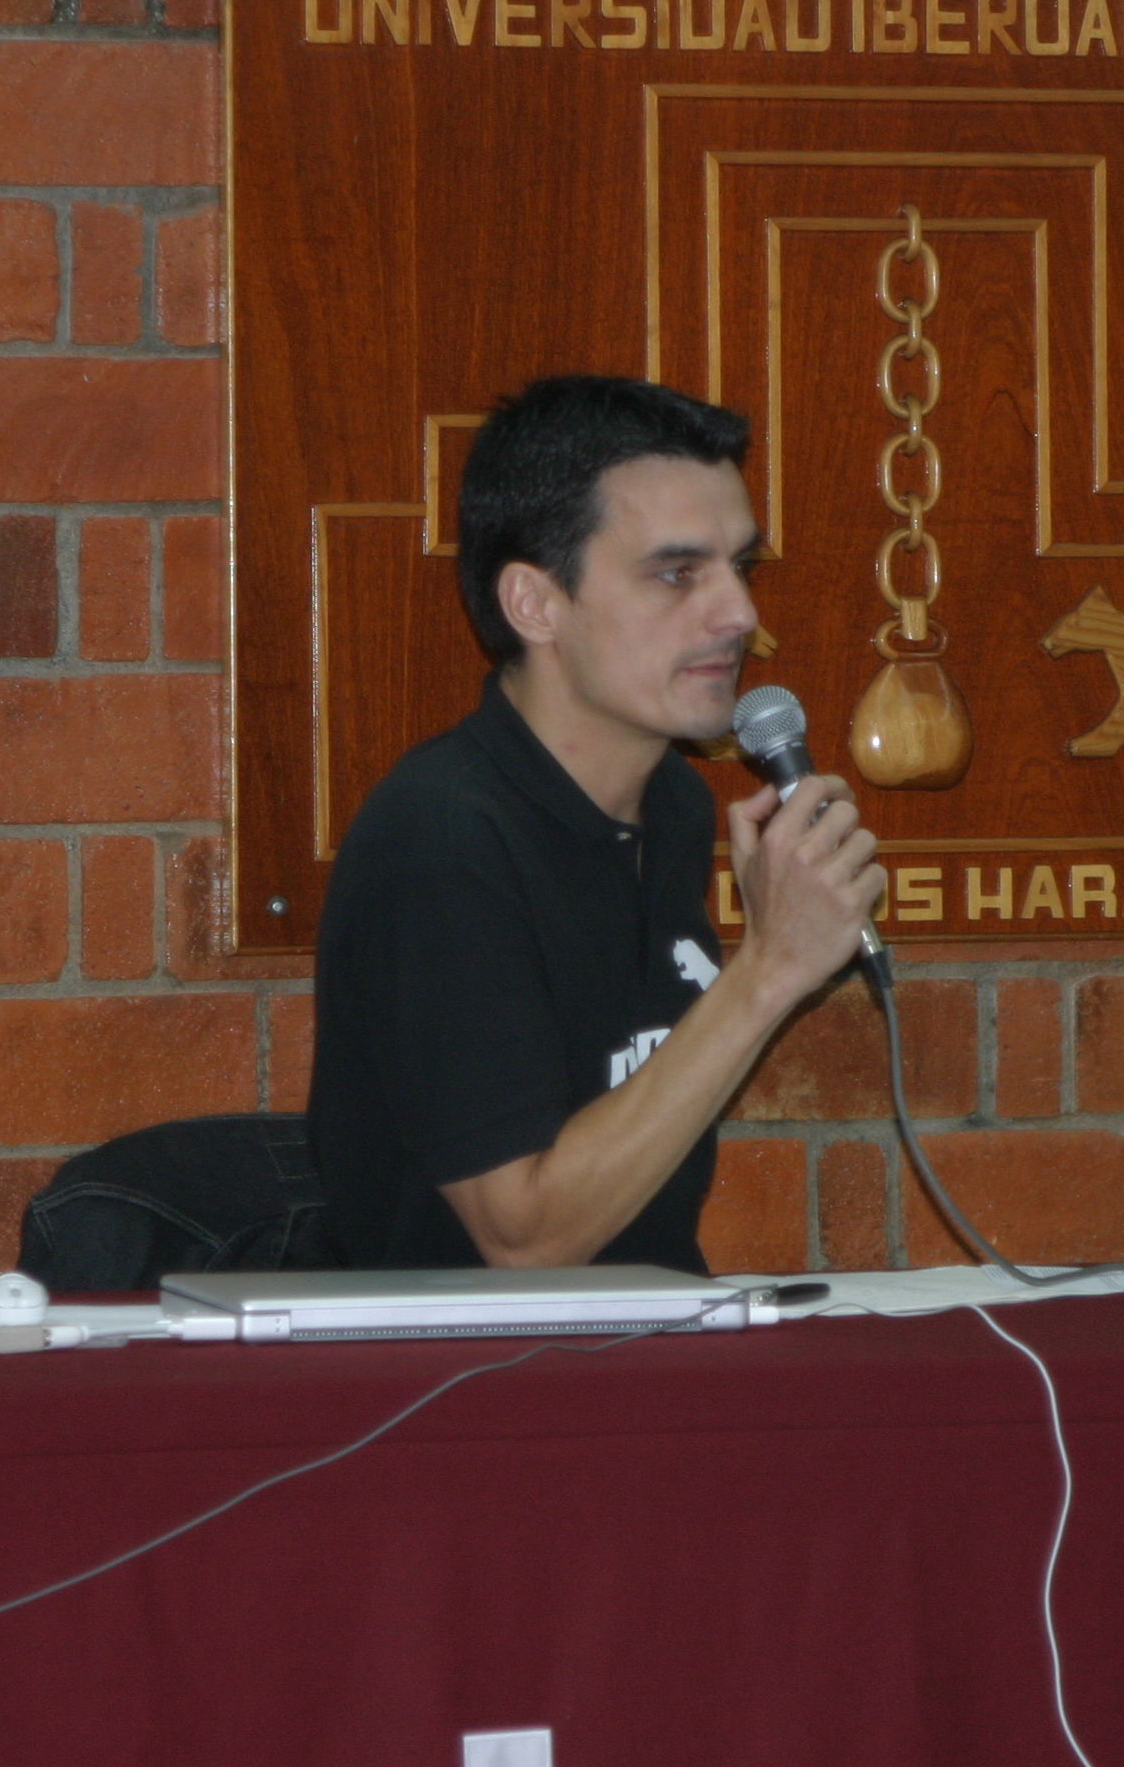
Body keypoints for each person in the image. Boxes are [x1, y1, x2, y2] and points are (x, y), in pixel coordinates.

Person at [310, 375, 886, 1272]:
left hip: (647, 1330)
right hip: (466, 1355)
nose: (740, 614)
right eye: (677, 572)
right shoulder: (444, 840)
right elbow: (524, 1238)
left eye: (741, 568)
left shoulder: (673, 805)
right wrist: (769, 970)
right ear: (534, 604)